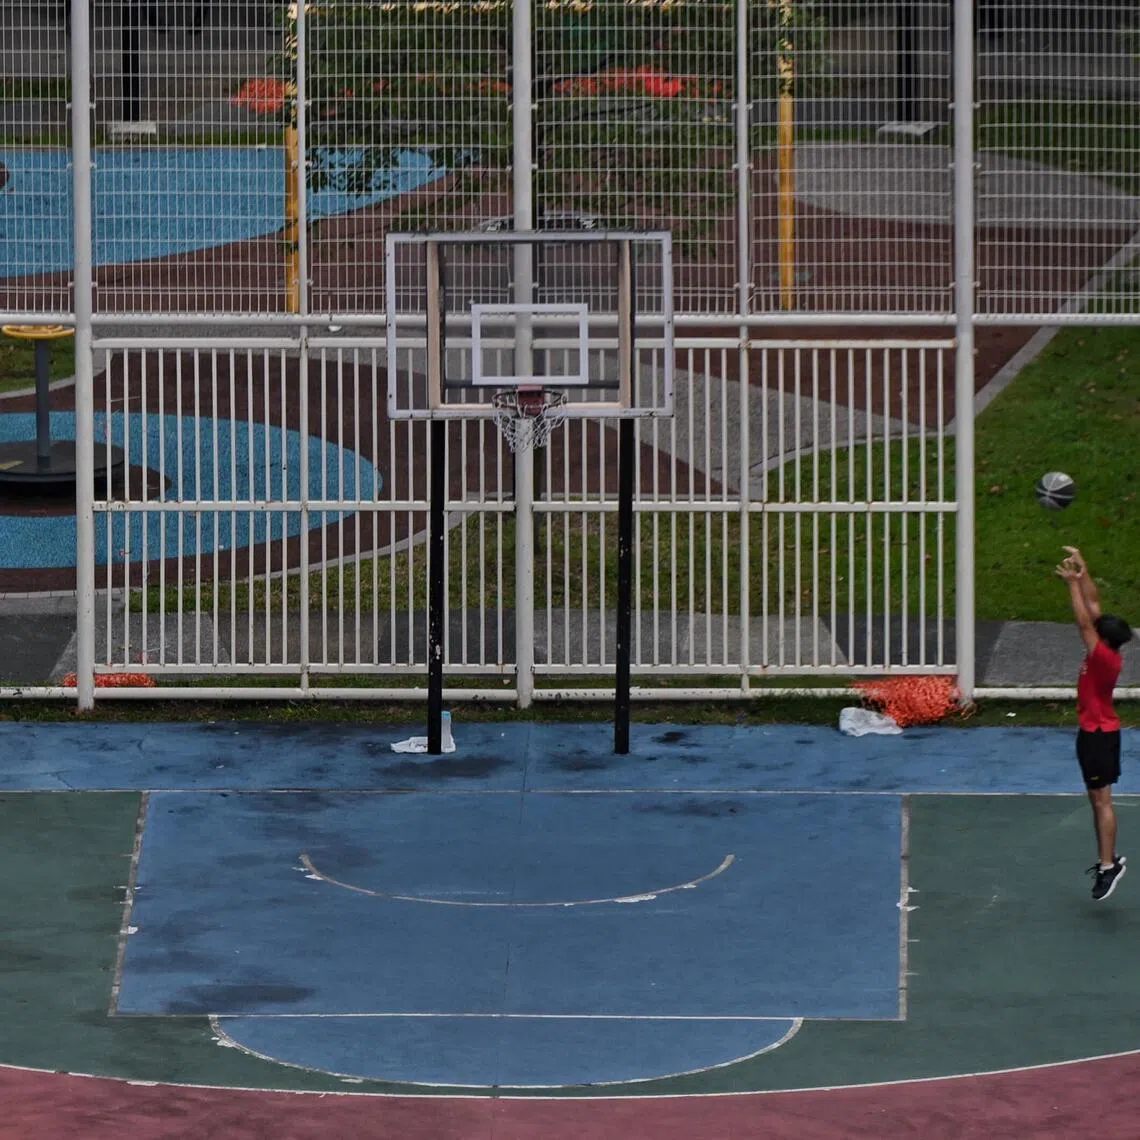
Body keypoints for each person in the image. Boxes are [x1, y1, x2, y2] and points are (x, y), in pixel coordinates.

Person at [1056, 546, 1133, 901]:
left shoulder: (1102, 657)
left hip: (1099, 737)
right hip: (1093, 734)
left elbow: (1084, 622)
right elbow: (1094, 605)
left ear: (1103, 639)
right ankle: (1107, 860)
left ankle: (1108, 865)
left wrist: (1072, 584)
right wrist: (1083, 570)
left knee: (1103, 802)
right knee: (1096, 799)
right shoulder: (1108, 647)